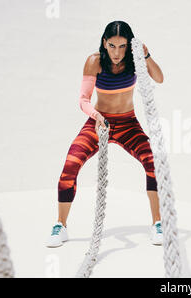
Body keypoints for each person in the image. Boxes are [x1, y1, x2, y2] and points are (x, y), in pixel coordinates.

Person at [46, 21, 164, 248]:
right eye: (112, 46)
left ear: (129, 46)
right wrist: (97, 116)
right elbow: (83, 100)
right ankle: (60, 225)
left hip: (128, 123)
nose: (117, 53)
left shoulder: (134, 61)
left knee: (153, 162)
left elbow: (159, 78)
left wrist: (147, 56)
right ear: (104, 43)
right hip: (99, 122)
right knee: (70, 165)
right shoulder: (95, 62)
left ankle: (157, 223)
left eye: (122, 46)